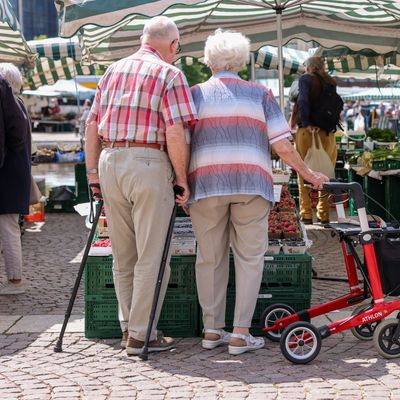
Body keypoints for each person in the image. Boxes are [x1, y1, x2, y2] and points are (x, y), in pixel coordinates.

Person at [188, 30, 329, 355]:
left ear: (208, 60)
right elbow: (282, 145)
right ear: (241, 60)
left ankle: (212, 330)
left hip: (206, 184)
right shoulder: (260, 94)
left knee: (209, 258)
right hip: (252, 184)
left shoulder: (194, 94)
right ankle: (239, 335)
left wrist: (182, 182)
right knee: (250, 258)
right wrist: (308, 174)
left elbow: (180, 140)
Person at [85, 16, 197, 355]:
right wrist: (181, 178)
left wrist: (92, 174)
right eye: (178, 46)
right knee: (152, 255)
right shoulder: (170, 73)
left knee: (124, 254)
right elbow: (175, 131)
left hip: (110, 161)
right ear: (172, 44)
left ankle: (128, 328)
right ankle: (140, 334)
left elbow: (91, 125)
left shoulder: (112, 70)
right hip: (148, 162)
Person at [293, 56, 338, 224]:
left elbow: (303, 100)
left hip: (306, 132)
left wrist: (307, 123)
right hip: (327, 134)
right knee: (325, 172)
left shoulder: (305, 79)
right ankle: (323, 213)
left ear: (309, 68)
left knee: (302, 170)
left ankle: (305, 213)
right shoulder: (331, 82)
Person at [0, 63, 31, 295]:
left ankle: (15, 281)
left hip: (8, 175)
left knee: (8, 227)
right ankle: (14, 280)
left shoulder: (12, 105)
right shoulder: (18, 104)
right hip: (14, 174)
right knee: (9, 226)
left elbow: (16, 138)